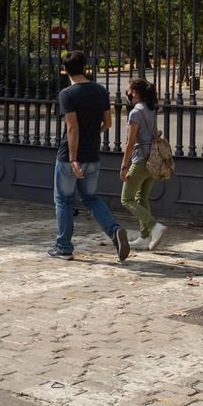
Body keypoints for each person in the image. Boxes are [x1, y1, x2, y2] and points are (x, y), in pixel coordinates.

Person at [49, 50, 130, 262]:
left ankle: (64, 247)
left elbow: (72, 128)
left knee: (63, 199)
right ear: (85, 67)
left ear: (65, 70)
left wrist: (73, 158)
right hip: (93, 153)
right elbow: (108, 123)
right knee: (90, 198)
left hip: (70, 154)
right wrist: (95, 132)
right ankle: (114, 230)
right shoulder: (100, 91)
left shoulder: (67, 94)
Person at [120, 78, 166, 251]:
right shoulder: (150, 109)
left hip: (139, 159)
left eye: (128, 91)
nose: (127, 95)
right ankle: (144, 236)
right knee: (142, 197)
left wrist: (124, 165)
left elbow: (130, 143)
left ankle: (154, 226)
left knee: (126, 199)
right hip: (153, 159)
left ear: (135, 93)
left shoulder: (135, 113)